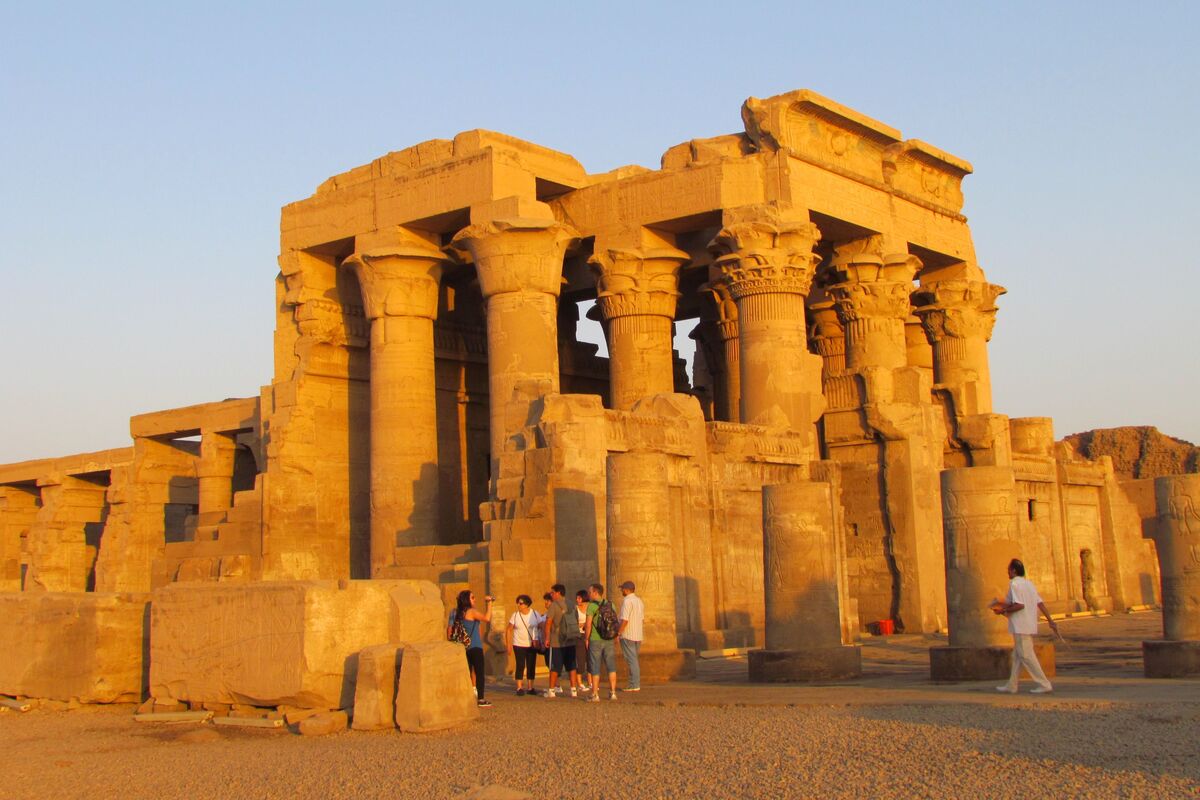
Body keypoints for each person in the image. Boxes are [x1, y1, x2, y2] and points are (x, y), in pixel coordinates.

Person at [991, 558, 1058, 694]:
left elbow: (1019, 605)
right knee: (1017, 656)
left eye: (1009, 570)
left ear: (1014, 571)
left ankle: (1044, 683)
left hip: (1020, 625)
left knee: (1027, 656)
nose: (1007, 573)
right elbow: (1040, 603)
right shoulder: (1029, 584)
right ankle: (1012, 685)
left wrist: (1003, 611)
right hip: (1028, 624)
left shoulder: (1014, 584)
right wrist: (1050, 620)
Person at [448, 589, 493, 708]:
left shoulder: (454, 612)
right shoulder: (471, 611)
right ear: (467, 600)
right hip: (475, 646)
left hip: (462, 646)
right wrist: (489, 603)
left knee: (467, 672)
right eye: (472, 597)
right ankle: (481, 698)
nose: (475, 599)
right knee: (479, 672)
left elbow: (449, 630)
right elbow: (487, 618)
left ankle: (465, 695)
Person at [543, 583, 581, 698]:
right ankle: (573, 690)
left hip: (557, 641)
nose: (551, 595)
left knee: (555, 666)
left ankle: (551, 690)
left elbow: (548, 622)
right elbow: (576, 620)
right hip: (570, 639)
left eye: (552, 593)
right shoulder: (571, 604)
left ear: (558, 593)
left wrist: (547, 638)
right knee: (572, 665)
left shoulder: (554, 605)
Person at [584, 583, 618, 701]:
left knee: (595, 667)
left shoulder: (591, 606)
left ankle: (595, 694)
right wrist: (615, 637)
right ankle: (613, 692)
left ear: (595, 593)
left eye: (590, 592)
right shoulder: (611, 604)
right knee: (611, 666)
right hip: (608, 639)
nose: (588, 594)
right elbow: (614, 622)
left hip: (595, 639)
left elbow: (588, 624)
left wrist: (586, 638)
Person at [505, 594, 542, 696]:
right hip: (518, 644)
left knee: (531, 665)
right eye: (518, 603)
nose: (518, 605)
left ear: (526, 604)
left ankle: (530, 687)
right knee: (520, 665)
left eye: (520, 603)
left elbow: (542, 625)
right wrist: (508, 644)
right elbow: (508, 629)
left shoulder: (535, 614)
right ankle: (519, 687)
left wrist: (539, 638)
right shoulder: (515, 615)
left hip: (531, 644)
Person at [617, 580, 644, 692]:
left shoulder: (627, 601)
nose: (622, 591)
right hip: (638, 634)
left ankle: (634, 684)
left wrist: (619, 632)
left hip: (628, 635)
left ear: (627, 590)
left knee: (631, 660)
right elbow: (642, 619)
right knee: (634, 660)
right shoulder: (639, 601)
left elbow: (625, 620)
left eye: (622, 589)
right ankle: (633, 683)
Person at [574, 589, 590, 690]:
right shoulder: (575, 609)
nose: (577, 599)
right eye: (577, 598)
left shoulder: (590, 608)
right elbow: (572, 623)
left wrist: (586, 625)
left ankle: (590, 682)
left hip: (589, 635)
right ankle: (579, 683)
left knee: (590, 659)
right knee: (580, 659)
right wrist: (582, 624)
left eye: (579, 598)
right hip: (579, 635)